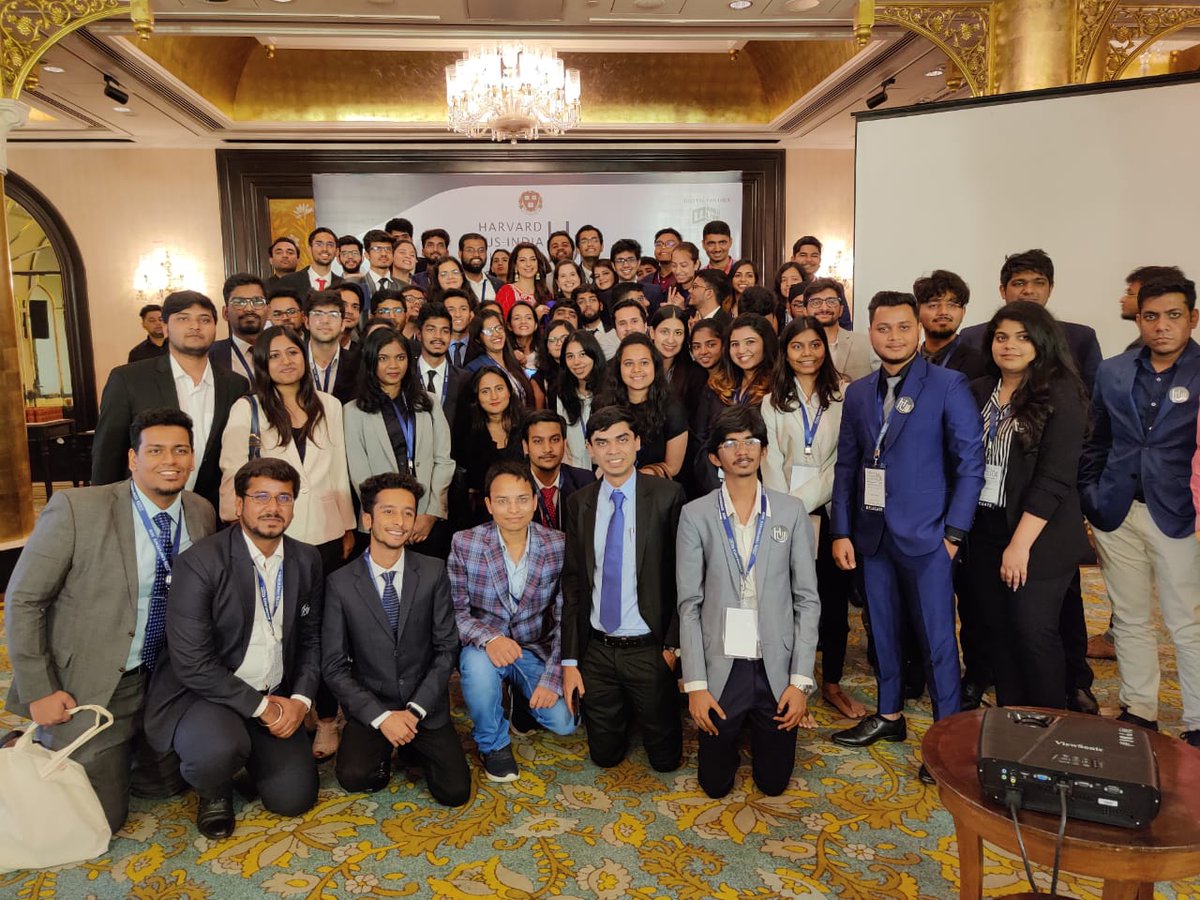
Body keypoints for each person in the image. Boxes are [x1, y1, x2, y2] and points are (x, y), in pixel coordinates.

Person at [5, 408, 216, 834]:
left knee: (165, 785)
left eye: (180, 450)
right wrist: (39, 690)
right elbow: (24, 600)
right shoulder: (77, 509)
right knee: (99, 816)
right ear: (133, 458)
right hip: (95, 681)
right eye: (155, 450)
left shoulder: (200, 511)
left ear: (192, 458)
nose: (170, 460)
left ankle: (128, 750)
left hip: (166, 677)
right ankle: (26, 741)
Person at [829, 291, 984, 783]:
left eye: (902, 327)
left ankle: (946, 740)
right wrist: (842, 530)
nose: (893, 337)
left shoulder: (947, 384)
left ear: (917, 330)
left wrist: (954, 533)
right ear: (870, 332)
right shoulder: (858, 393)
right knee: (882, 630)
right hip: (873, 534)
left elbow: (970, 464)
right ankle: (889, 714)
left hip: (930, 536)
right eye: (883, 328)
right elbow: (848, 467)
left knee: (938, 640)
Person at [144, 458, 323, 838]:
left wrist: (300, 700)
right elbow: (192, 663)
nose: (273, 507)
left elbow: (311, 639)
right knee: (217, 751)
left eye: (283, 498)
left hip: (275, 692)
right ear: (239, 504)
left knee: (294, 799)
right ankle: (214, 789)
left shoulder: (307, 559)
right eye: (261, 497)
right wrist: (262, 709)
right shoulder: (200, 563)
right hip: (208, 696)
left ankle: (251, 754)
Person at [677, 406, 820, 798]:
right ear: (715, 457)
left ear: (764, 450)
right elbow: (689, 604)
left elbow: (808, 600)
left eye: (751, 441)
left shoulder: (791, 511)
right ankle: (735, 732)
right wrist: (696, 685)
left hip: (775, 662)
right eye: (730, 443)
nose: (742, 451)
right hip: (723, 664)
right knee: (714, 786)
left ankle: (756, 732)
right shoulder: (695, 515)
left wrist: (800, 682)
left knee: (773, 785)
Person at [1084, 276, 1200, 746]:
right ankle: (1139, 710)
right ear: (1138, 319)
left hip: (1181, 516)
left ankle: (1196, 722)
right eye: (1150, 316)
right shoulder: (1113, 370)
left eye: (1173, 315)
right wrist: (1091, 496)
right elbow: (1096, 438)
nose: (1161, 326)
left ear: (1192, 318)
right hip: (1117, 511)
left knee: (1186, 623)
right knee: (1130, 618)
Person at [962, 302, 1090, 711]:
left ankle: (1048, 722)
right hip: (985, 527)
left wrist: (1019, 545)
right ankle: (1013, 720)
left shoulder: (1061, 393)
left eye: (1022, 337)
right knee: (998, 631)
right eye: (1001, 337)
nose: (1010, 345)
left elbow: (1055, 478)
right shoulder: (978, 390)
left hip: (1040, 534)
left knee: (1033, 631)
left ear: (1041, 342)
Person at [322, 471, 472, 805]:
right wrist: (381, 717)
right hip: (372, 704)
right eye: (388, 511)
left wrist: (416, 710)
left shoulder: (433, 571)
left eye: (408, 512)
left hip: (424, 703)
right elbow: (333, 666)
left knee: (455, 793)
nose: (399, 521)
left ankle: (411, 746)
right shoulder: (340, 583)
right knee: (355, 777)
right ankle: (390, 747)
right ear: (367, 519)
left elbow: (446, 648)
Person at [560, 406, 685, 771]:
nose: (613, 450)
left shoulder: (667, 496)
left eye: (622, 439)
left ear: (637, 443)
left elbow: (685, 577)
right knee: (604, 757)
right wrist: (571, 660)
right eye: (602, 442)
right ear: (590, 449)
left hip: (649, 648)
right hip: (598, 650)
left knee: (665, 761)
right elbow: (573, 583)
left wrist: (672, 648)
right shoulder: (579, 502)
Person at [760, 316, 863, 719]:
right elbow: (769, 460)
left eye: (815, 344)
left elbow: (843, 461)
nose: (807, 353)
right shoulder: (772, 401)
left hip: (830, 513)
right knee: (786, 601)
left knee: (832, 602)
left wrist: (797, 504)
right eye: (797, 345)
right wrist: (785, 510)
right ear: (785, 352)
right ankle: (790, 685)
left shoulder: (845, 396)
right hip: (781, 514)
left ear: (825, 348)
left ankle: (832, 683)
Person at [449, 461, 577, 781]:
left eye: (521, 499)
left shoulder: (558, 544)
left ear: (534, 502)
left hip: (534, 646)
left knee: (564, 722)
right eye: (503, 501)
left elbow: (565, 618)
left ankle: (521, 699)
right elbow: (455, 611)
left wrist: (552, 678)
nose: (513, 509)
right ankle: (493, 744)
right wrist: (490, 639)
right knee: (478, 669)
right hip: (485, 646)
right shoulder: (465, 542)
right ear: (489, 505)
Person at [93, 290, 248, 513]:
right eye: (183, 319)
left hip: (209, 514)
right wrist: (104, 511)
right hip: (141, 510)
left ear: (215, 327)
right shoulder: (128, 379)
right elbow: (107, 453)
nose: (195, 326)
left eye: (204, 320)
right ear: (165, 328)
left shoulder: (235, 385)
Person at [218, 327, 356, 573]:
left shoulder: (330, 405)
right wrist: (235, 521)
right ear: (263, 363)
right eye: (275, 356)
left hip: (326, 528)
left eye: (293, 352)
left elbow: (339, 471)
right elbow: (233, 471)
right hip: (271, 529)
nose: (286, 361)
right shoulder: (247, 408)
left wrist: (347, 526)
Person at [344, 326, 454, 560]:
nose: (393, 365)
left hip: (426, 517)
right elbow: (360, 473)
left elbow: (443, 460)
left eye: (400, 357)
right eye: (383, 358)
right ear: (371, 361)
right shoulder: (353, 411)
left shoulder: (429, 402)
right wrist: (394, 518)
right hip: (380, 521)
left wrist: (430, 514)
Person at [959, 249, 1102, 393]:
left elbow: (1093, 396)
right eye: (1019, 283)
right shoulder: (972, 337)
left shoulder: (1081, 338)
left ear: (1050, 289)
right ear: (1003, 290)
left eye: (1039, 283)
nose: (1028, 290)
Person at [595, 334, 688, 480]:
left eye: (644, 363)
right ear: (619, 368)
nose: (636, 369)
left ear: (654, 366)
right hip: (612, 482)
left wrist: (630, 478)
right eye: (628, 363)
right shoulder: (604, 405)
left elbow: (673, 467)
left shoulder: (672, 409)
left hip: (655, 486)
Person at [452, 367, 526, 525]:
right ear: (476, 397)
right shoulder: (465, 433)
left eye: (499, 389)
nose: (494, 396)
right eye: (485, 391)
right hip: (480, 516)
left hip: (524, 509)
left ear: (509, 391)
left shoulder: (526, 425)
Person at [522, 410, 594, 531]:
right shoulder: (512, 485)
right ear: (526, 446)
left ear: (565, 444)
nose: (547, 449)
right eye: (538, 441)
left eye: (554, 440)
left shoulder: (585, 482)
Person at [913, 270, 988, 381]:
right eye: (933, 305)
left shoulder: (980, 363)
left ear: (963, 312)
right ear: (917, 311)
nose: (943, 312)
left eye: (952, 305)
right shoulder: (907, 361)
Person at [464, 305, 539, 408]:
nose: (496, 334)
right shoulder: (474, 368)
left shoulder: (513, 361)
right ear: (478, 338)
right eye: (489, 331)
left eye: (499, 328)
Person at [415, 299, 470, 431]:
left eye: (444, 331)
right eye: (431, 330)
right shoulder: (405, 376)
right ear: (419, 334)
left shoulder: (465, 380)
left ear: (450, 336)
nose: (438, 336)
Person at [804, 278, 872, 382]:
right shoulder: (794, 347)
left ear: (841, 310)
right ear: (805, 310)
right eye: (816, 302)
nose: (824, 308)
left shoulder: (866, 343)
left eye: (831, 302)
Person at [558, 329, 606, 467]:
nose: (576, 362)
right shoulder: (563, 394)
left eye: (583, 354)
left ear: (594, 355)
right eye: (570, 356)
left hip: (605, 468)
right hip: (575, 470)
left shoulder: (610, 390)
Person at [304, 291, 360, 404]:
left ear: (343, 324)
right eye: (318, 314)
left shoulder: (358, 364)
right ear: (306, 322)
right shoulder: (293, 360)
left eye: (333, 315)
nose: (325, 321)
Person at [210, 273, 266, 383]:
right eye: (239, 302)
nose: (249, 309)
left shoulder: (286, 351)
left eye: (257, 302)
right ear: (225, 313)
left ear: (268, 310)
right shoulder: (211, 355)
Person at [277, 227, 342, 295]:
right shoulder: (288, 282)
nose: (324, 249)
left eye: (330, 245)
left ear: (337, 251)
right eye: (319, 244)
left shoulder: (343, 286)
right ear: (310, 249)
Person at [497, 242, 552, 317]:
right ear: (515, 266)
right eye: (522, 260)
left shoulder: (546, 292)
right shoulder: (506, 292)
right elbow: (502, 322)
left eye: (533, 259)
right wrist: (535, 316)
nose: (528, 264)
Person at [459, 232, 504, 306]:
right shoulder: (453, 283)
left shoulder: (499, 285)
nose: (476, 255)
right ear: (460, 254)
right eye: (470, 250)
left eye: (481, 250)